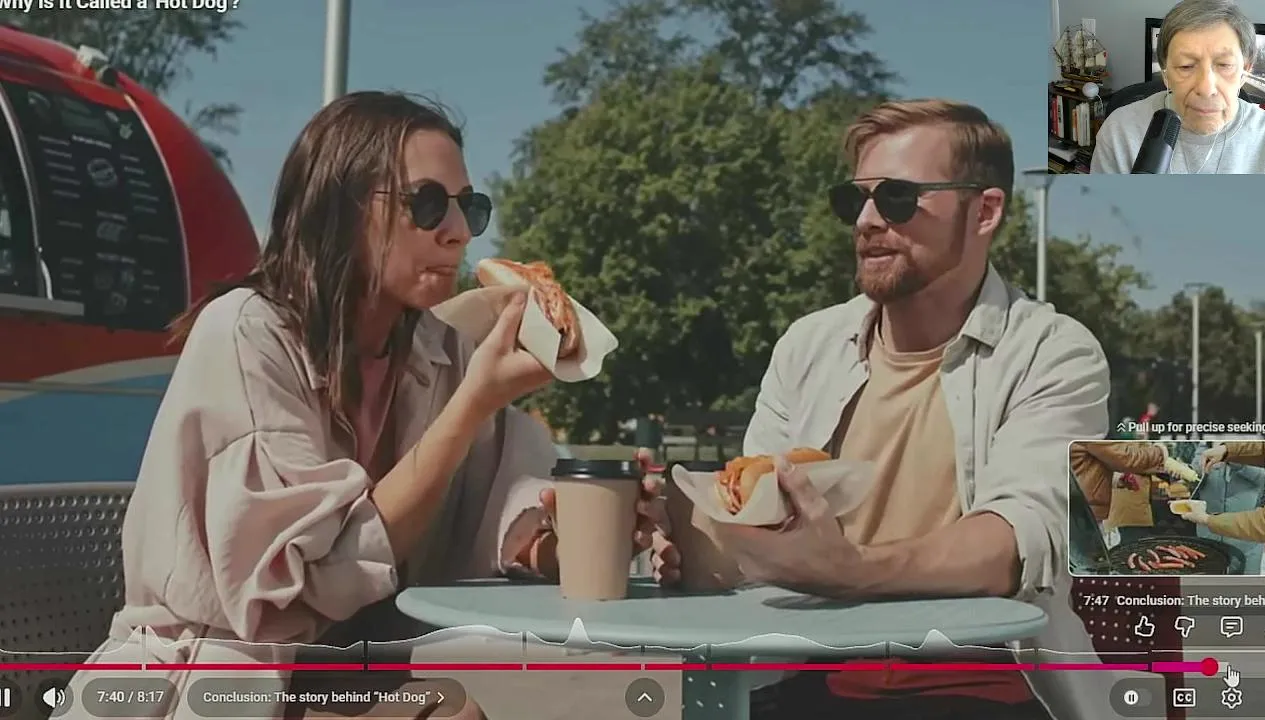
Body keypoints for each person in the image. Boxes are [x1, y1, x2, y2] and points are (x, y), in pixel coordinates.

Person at [60, 92, 660, 720]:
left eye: (470, 206)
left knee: (529, 695)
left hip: (347, 664)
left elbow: (494, 522)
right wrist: (471, 405)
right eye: (426, 203)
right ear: (341, 208)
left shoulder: (440, 348)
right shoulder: (247, 332)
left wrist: (586, 534)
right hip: (222, 675)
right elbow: (300, 583)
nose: (457, 231)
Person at [651, 99, 1134, 720]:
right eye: (854, 200)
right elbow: (753, 529)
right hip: (801, 677)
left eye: (898, 198)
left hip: (976, 688)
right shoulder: (808, 345)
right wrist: (677, 532)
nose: (867, 221)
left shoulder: (1053, 352)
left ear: (985, 211)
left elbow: (1015, 544)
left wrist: (849, 570)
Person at [1091, 0, 1265, 174]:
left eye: (1225, 65)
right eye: (1186, 66)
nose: (1206, 89)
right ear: (1165, 74)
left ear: (1245, 71)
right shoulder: (1119, 133)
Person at [1069, 440, 1195, 545]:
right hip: (1091, 511)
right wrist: (1160, 452)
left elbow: (1094, 460)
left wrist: (1115, 478)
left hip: (1087, 508)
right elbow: (1125, 457)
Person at [1182, 440, 1265, 567]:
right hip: (1209, 535)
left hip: (1246, 534)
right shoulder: (1206, 443)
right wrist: (1227, 450)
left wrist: (1238, 463)